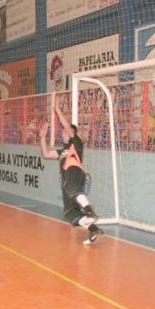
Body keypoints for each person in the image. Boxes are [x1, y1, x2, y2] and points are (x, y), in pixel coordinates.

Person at [39, 100, 103, 245]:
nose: (63, 134)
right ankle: (93, 229)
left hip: (74, 173)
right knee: (69, 213)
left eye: (64, 132)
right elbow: (46, 154)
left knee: (70, 186)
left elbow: (67, 127)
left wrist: (57, 110)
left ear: (72, 133)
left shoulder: (76, 143)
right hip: (67, 181)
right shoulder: (63, 150)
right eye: (62, 132)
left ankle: (89, 210)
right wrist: (42, 137)